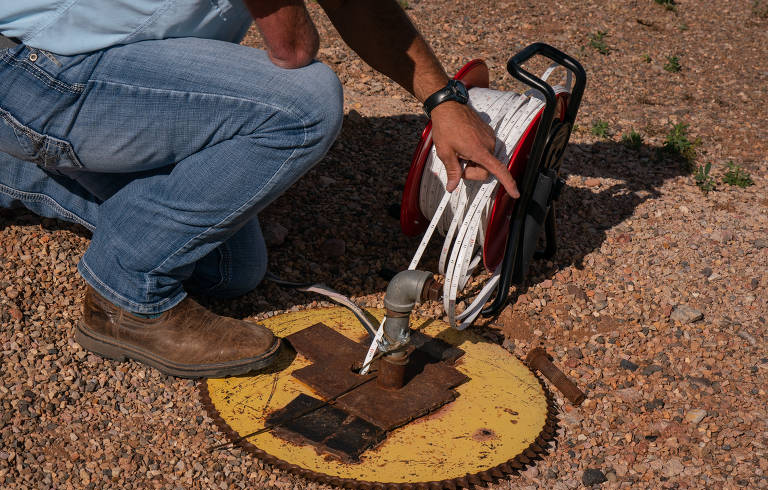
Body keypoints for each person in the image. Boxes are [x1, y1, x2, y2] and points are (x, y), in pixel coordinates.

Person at [0, 0, 519, 378]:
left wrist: (444, 100)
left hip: (101, 68)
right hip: (33, 67)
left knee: (231, 269)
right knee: (304, 104)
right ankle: (125, 295)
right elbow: (292, 47)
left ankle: (15, 170)